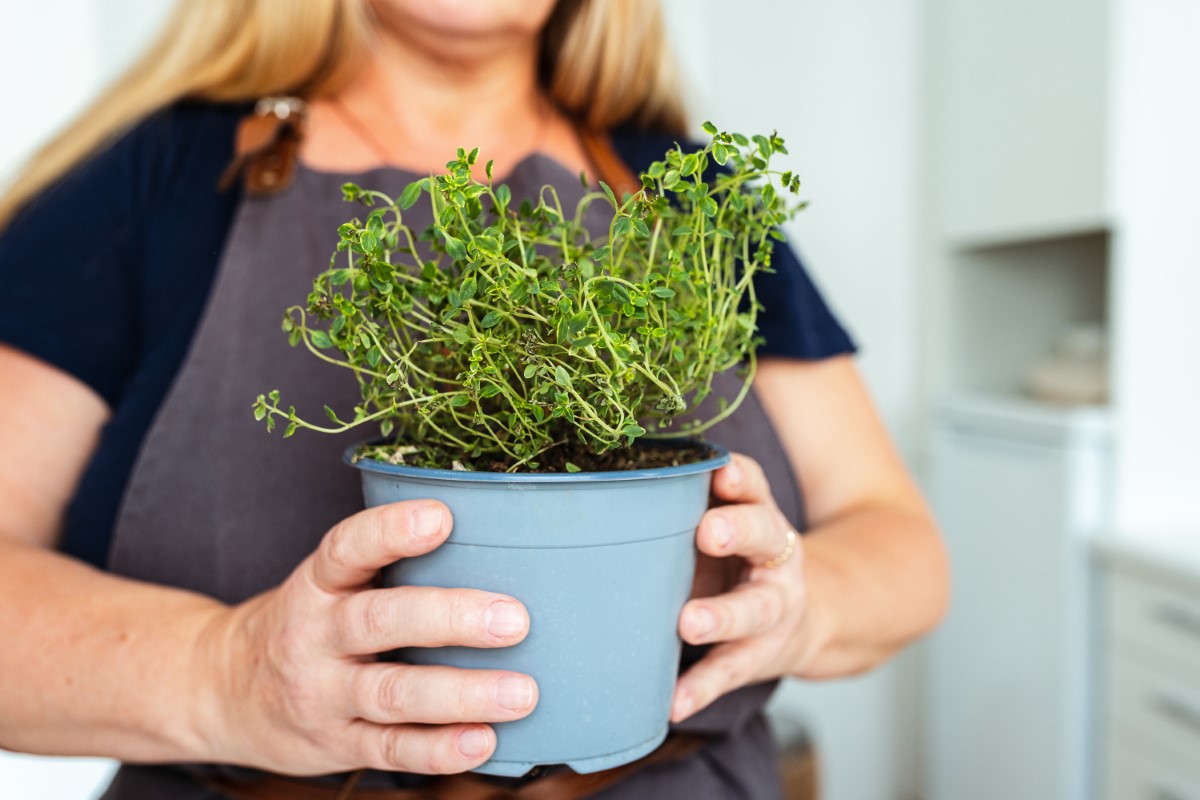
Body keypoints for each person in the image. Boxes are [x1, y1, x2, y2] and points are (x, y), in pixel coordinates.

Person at [0, 1, 948, 797]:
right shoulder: (158, 178)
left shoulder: (693, 197)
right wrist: (225, 672)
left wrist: (800, 607)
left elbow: (900, 544)